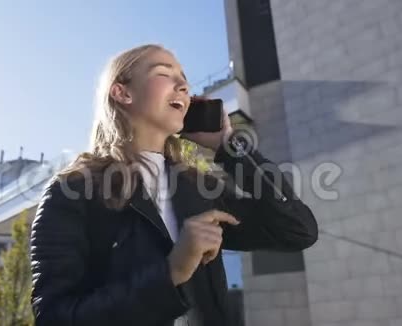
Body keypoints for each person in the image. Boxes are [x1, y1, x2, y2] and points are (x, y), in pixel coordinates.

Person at [30, 44, 318, 326]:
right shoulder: (71, 192)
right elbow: (54, 316)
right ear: (122, 92)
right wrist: (171, 272)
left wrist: (230, 148)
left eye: (184, 78)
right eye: (164, 73)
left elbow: (297, 230)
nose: (183, 85)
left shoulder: (197, 188)